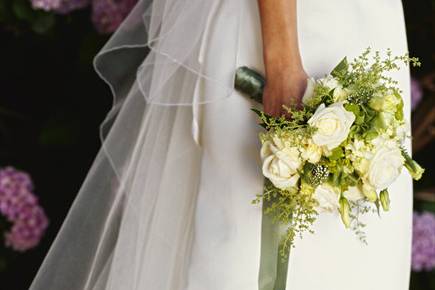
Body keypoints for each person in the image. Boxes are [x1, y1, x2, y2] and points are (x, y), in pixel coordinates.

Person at [30, 0, 413, 289]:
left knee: (351, 261)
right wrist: (280, 62)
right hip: (294, 36)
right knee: (253, 249)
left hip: (358, 26)